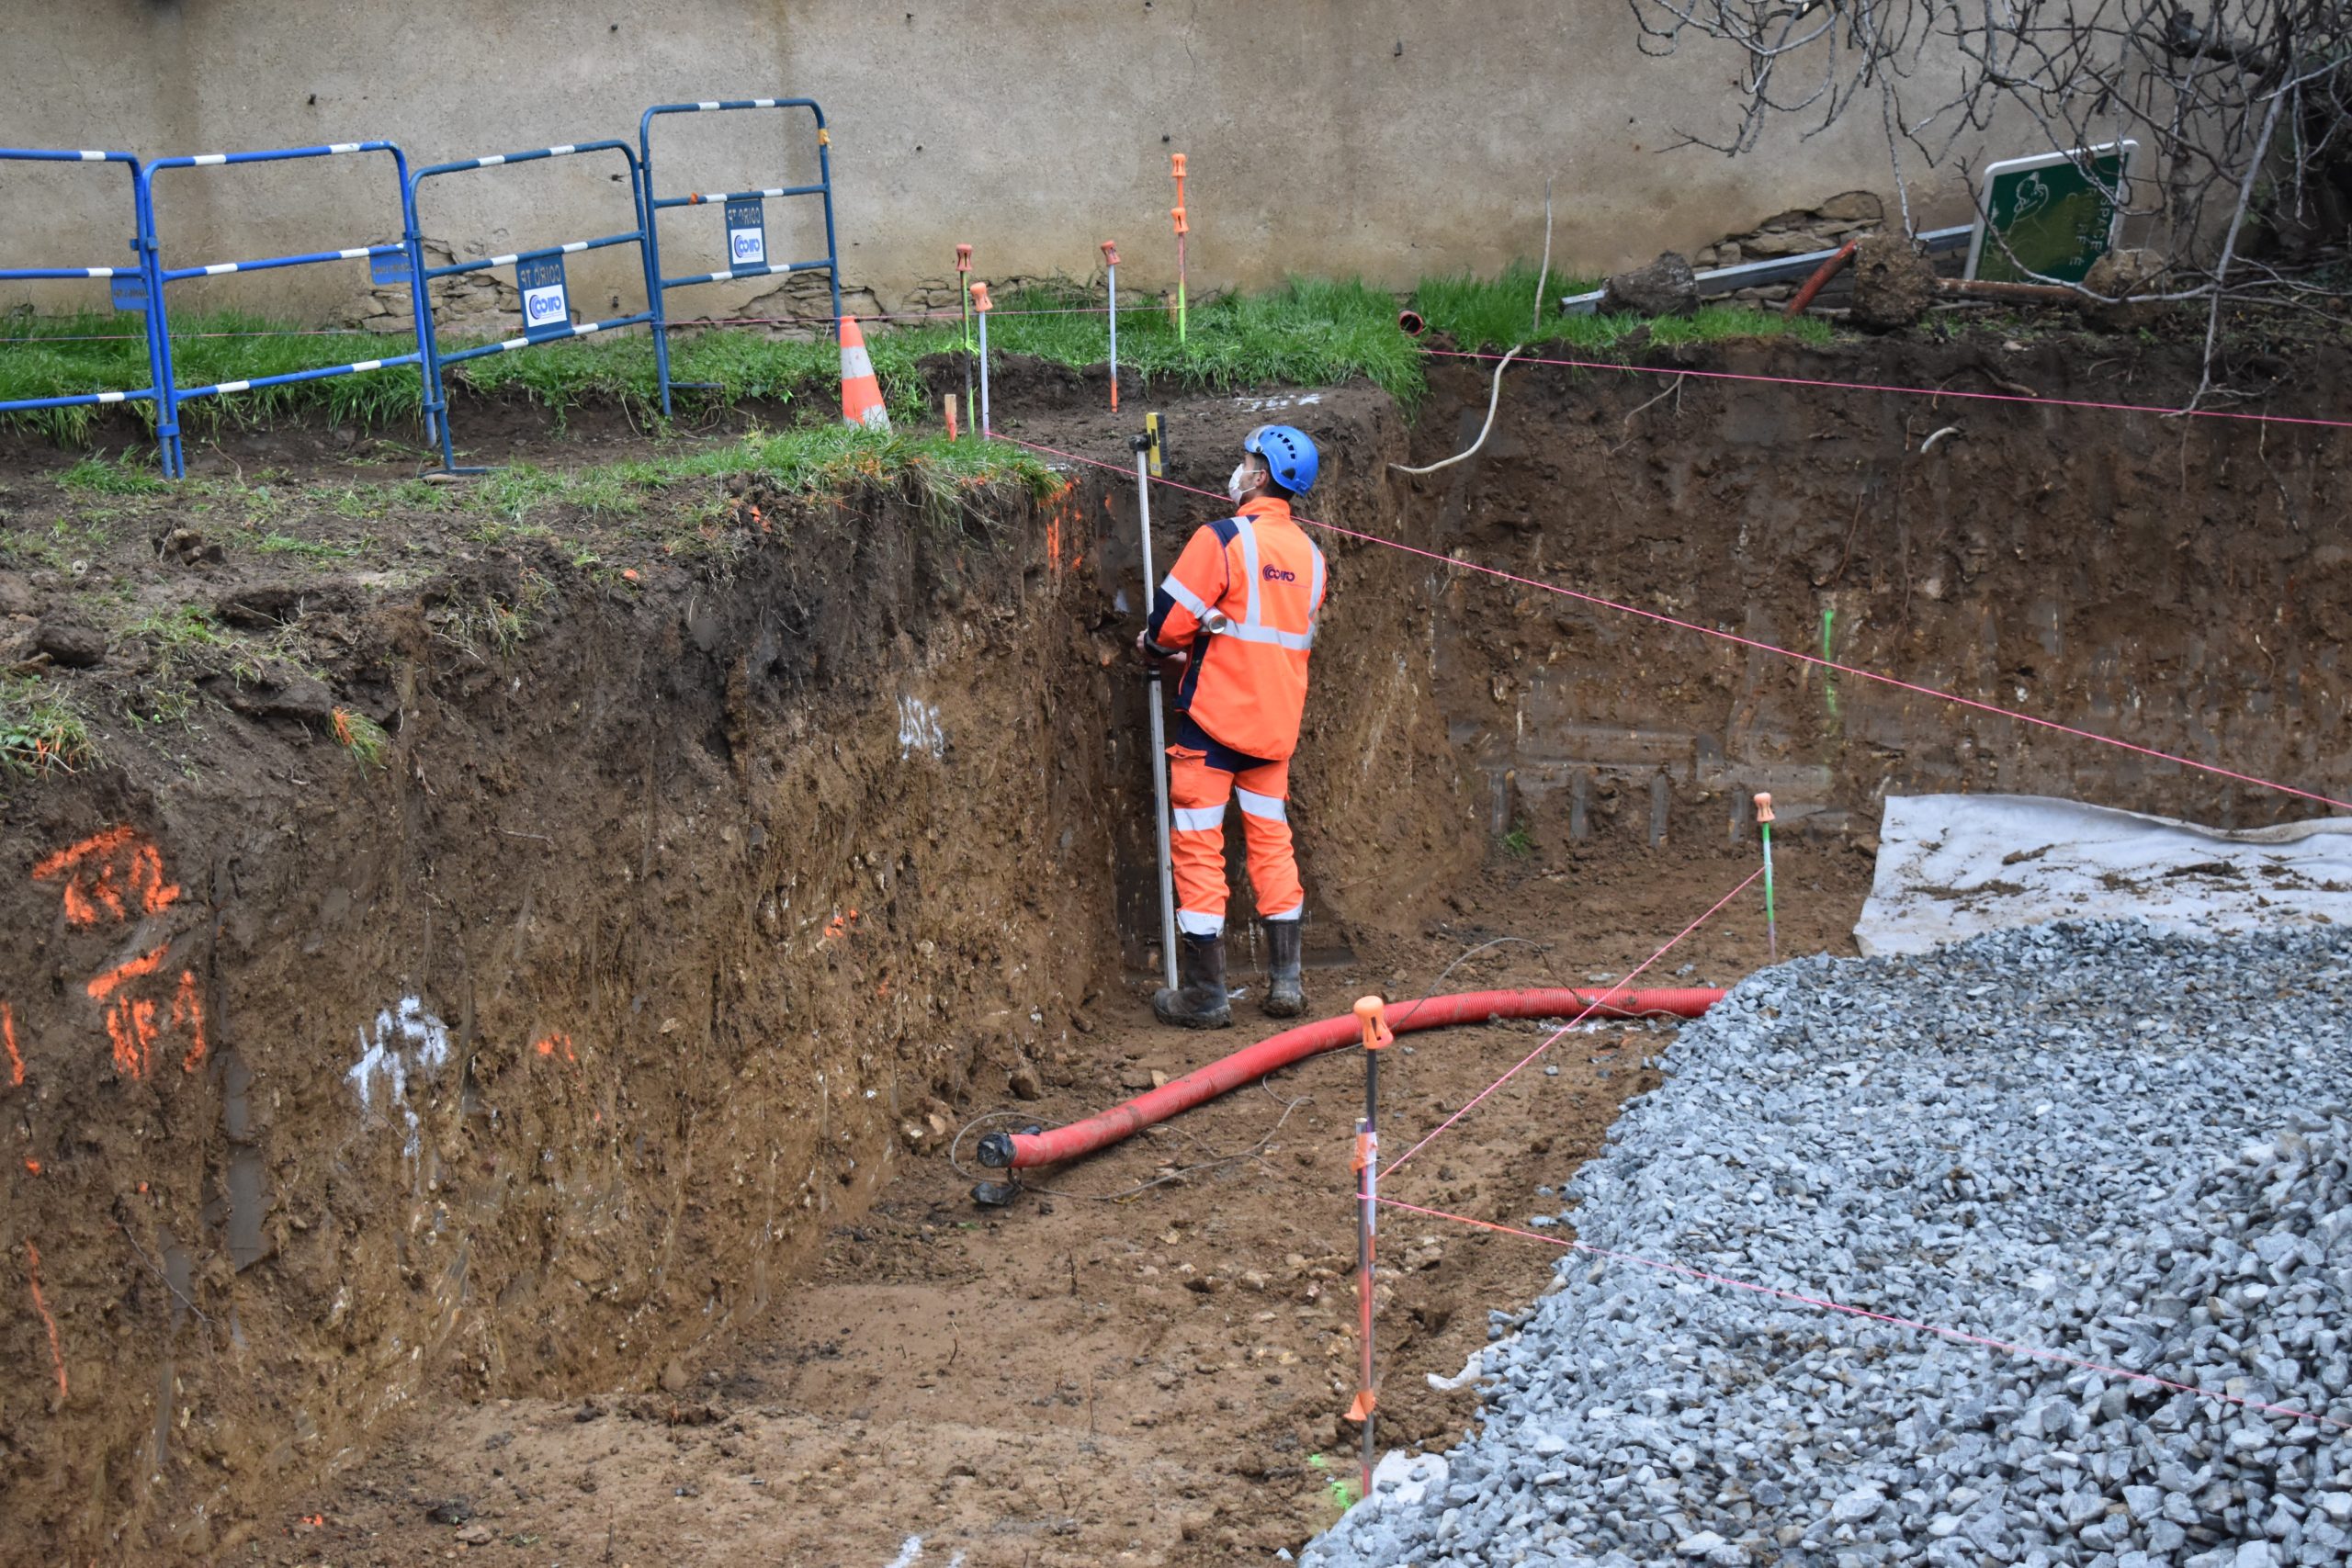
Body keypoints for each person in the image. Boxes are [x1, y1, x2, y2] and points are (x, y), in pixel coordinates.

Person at [1135, 423, 1326, 1029]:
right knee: (1271, 844)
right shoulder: (1313, 559)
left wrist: (1160, 644)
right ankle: (1287, 981)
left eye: (1246, 461)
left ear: (1262, 475)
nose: (1237, 470)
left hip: (1212, 727)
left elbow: (1165, 626)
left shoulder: (1222, 540)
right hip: (1273, 732)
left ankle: (1205, 994)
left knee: (1198, 847)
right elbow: (1271, 639)